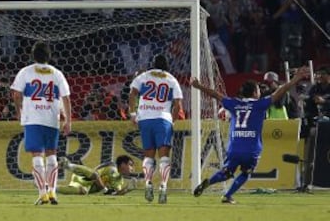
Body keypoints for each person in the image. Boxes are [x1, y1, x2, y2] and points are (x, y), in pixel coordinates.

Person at [190, 66, 309, 204]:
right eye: (258, 89)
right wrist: (294, 80)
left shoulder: (234, 103)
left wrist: (198, 86)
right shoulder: (260, 104)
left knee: (227, 172)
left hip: (234, 147)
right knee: (246, 172)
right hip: (251, 147)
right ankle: (227, 196)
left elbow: (216, 94)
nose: (260, 92)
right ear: (254, 92)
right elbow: (280, 92)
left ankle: (210, 181)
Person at [10, 41, 72, 205]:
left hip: (33, 118)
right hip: (52, 119)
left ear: (32, 55)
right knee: (52, 154)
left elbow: (16, 94)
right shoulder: (57, 73)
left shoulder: (25, 72)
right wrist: (68, 120)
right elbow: (66, 98)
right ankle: (53, 192)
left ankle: (42, 193)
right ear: (49, 56)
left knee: (37, 155)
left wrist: (19, 110)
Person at [128, 54, 183, 204]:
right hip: (163, 119)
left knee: (148, 155)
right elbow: (178, 104)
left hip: (145, 119)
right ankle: (163, 186)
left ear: (153, 64)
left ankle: (148, 183)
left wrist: (133, 113)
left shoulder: (144, 76)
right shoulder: (171, 79)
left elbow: (132, 93)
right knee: (164, 156)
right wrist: (172, 120)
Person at [301, 65, 330, 191]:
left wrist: (325, 102)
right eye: (318, 74)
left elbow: (324, 102)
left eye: (322, 74)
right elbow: (308, 105)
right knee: (311, 154)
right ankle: (307, 182)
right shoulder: (314, 88)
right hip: (318, 126)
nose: (319, 76)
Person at [57, 155, 136, 195]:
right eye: (130, 165)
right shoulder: (111, 167)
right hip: (84, 176)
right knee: (94, 174)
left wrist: (126, 190)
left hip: (85, 185)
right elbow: (95, 173)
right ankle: (68, 165)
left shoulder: (119, 180)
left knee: (83, 191)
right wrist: (105, 190)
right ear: (122, 164)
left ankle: (51, 188)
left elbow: (115, 194)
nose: (132, 169)